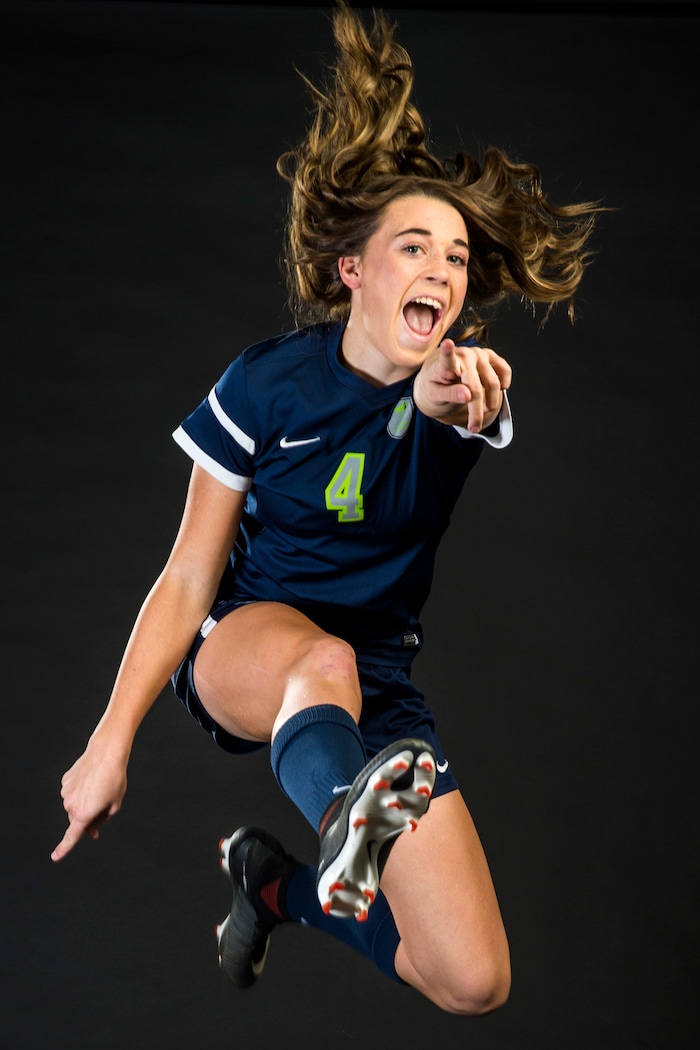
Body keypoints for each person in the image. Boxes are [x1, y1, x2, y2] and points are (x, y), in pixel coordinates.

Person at [52, 1, 601, 1016]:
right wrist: (109, 741)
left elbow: (447, 397)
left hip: (376, 692)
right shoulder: (268, 389)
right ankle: (350, 815)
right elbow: (183, 578)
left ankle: (280, 887)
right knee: (321, 662)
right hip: (250, 645)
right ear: (352, 269)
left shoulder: (451, 393)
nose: (441, 269)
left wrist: (466, 390)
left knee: (473, 980)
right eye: (413, 249)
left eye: (456, 259)